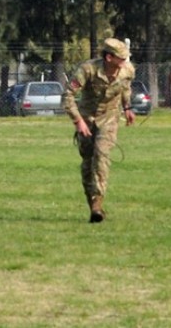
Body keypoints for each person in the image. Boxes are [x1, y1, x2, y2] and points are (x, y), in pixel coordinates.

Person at [62, 38, 135, 223]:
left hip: (109, 119)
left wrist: (127, 108)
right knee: (87, 163)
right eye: (121, 58)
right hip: (86, 119)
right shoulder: (88, 69)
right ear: (109, 57)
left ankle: (98, 201)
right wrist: (78, 121)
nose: (125, 61)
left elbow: (126, 88)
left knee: (101, 156)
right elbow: (68, 96)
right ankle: (94, 206)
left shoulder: (127, 70)